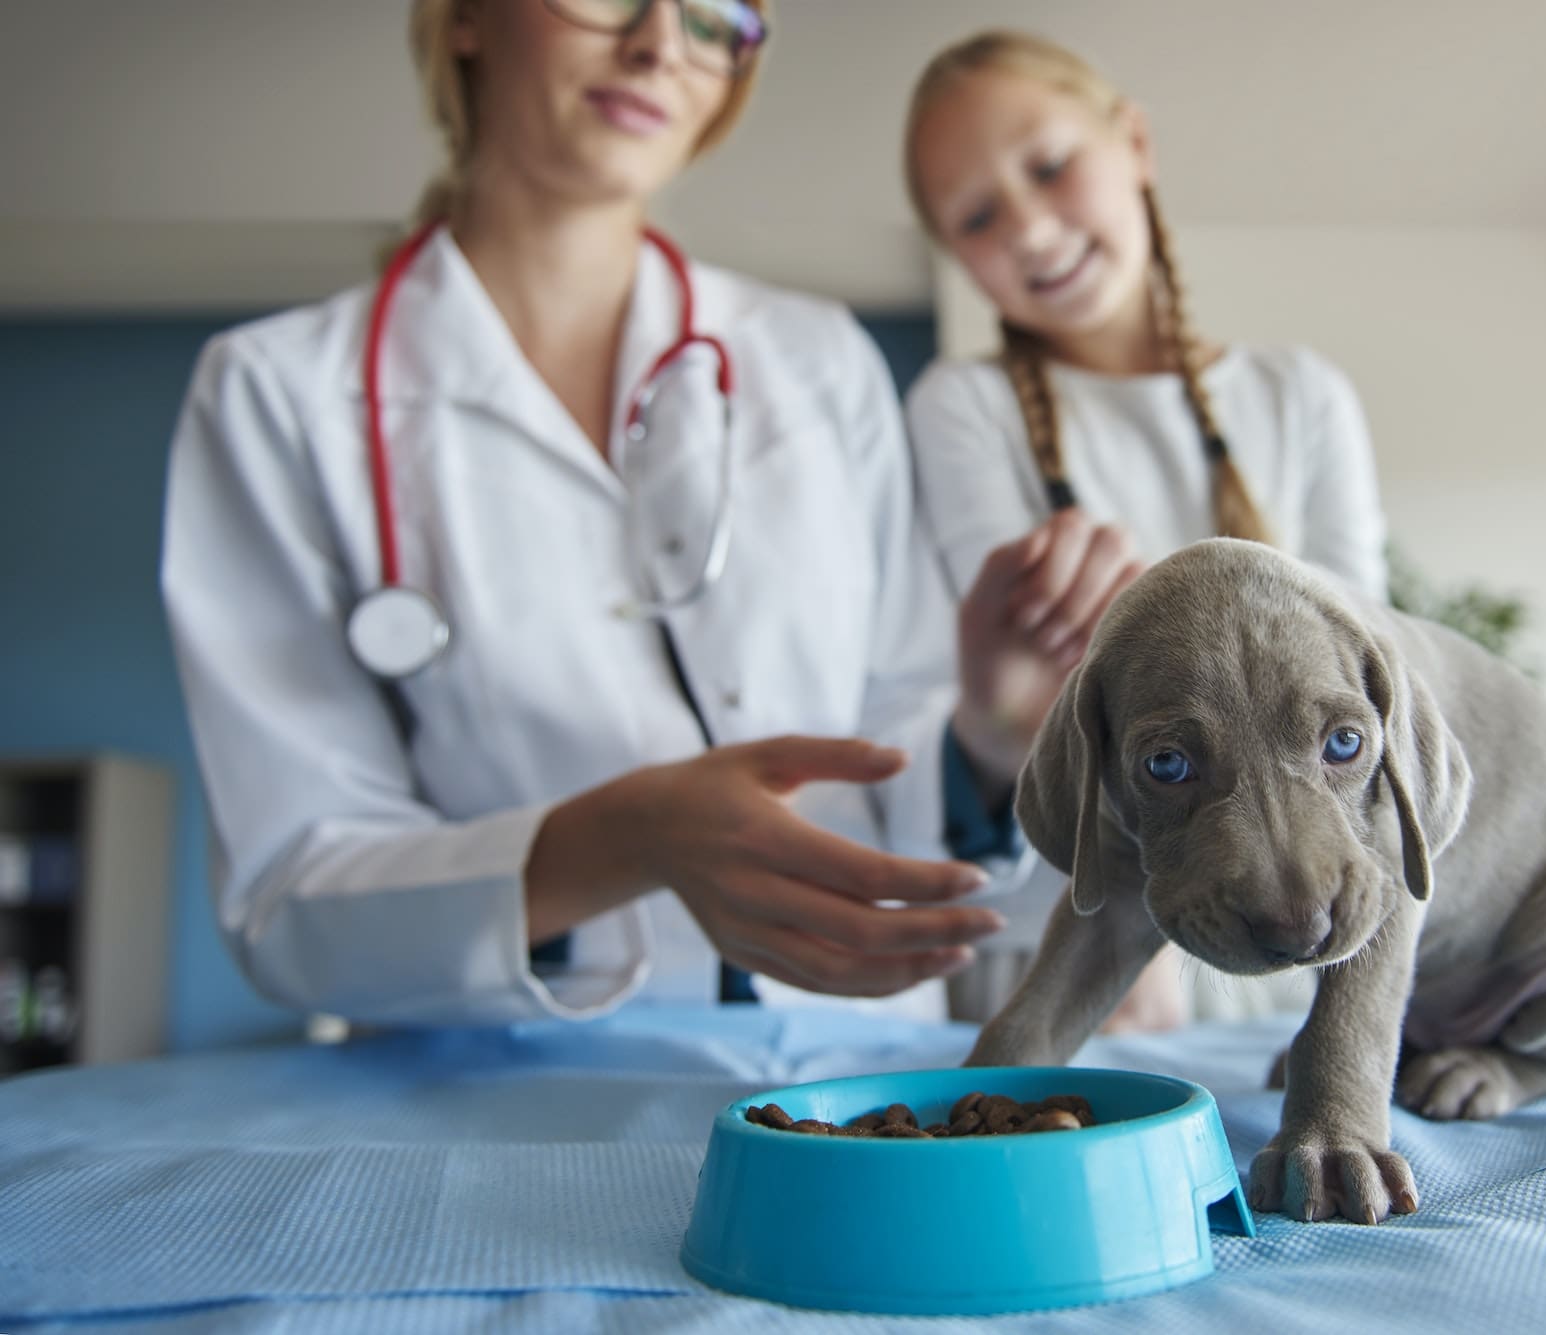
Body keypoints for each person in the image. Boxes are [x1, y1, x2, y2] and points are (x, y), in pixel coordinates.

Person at [161, 0, 1131, 1028]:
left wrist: (987, 736)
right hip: (508, 1106)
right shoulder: (277, 395)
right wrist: (625, 838)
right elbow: (292, 901)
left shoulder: (815, 362)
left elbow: (895, 736)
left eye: (713, 16)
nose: (659, 43)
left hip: (848, 1083)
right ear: (466, 21)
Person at [902, 30, 1392, 1024]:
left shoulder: (1296, 396)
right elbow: (1033, 701)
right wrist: (1135, 943)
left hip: (1299, 937)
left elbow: (1368, 675)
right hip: (1085, 950)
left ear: (1132, 141)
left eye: (1048, 168)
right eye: (978, 217)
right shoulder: (963, 406)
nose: (1032, 234)